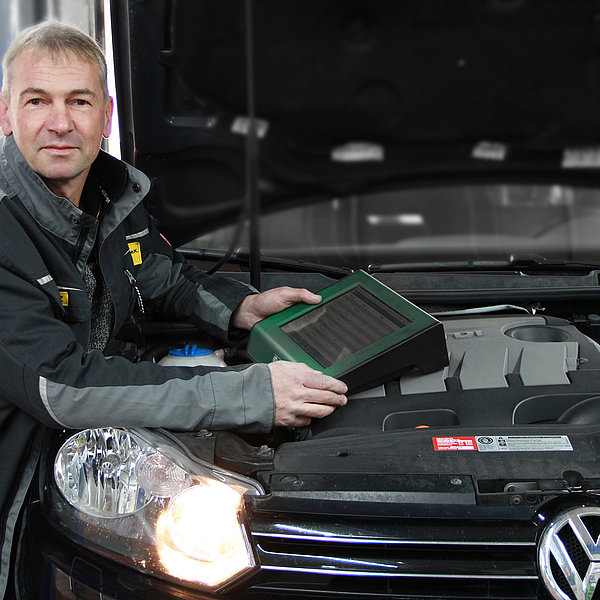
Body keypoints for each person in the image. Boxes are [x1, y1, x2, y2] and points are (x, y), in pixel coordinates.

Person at [0, 20, 347, 597]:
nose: (60, 123)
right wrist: (248, 393)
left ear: (106, 115)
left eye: (79, 101)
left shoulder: (112, 196)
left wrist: (240, 310)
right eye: (38, 101)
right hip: (15, 481)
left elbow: (160, 276)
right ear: (6, 113)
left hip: (90, 455)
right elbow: (61, 387)